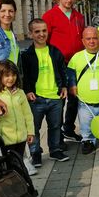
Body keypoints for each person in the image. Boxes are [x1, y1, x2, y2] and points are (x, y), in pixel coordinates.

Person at [21, 18, 69, 167]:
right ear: (31, 34)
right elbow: (25, 76)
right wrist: (28, 91)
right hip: (37, 98)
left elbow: (62, 70)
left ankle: (55, 149)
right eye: (37, 31)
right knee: (34, 128)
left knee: (55, 125)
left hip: (55, 97)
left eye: (44, 31)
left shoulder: (55, 52)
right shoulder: (26, 55)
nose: (41, 34)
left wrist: (64, 86)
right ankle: (35, 153)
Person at [42, 0, 85, 143]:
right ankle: (57, 137)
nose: (69, 0)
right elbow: (43, 40)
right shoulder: (49, 16)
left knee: (74, 98)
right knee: (59, 101)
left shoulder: (79, 17)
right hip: (58, 66)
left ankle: (68, 129)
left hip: (75, 65)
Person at [68, 27, 99, 154]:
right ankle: (88, 141)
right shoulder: (76, 57)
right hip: (85, 102)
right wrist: (72, 84)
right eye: (88, 39)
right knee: (85, 125)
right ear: (83, 41)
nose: (92, 41)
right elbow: (71, 74)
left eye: (95, 38)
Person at [0, 60, 35, 160]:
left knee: (19, 161)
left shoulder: (20, 93)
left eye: (14, 75)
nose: (11, 78)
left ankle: (21, 174)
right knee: (10, 165)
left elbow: (28, 114)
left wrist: (30, 132)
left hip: (21, 137)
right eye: (7, 75)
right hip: (6, 139)